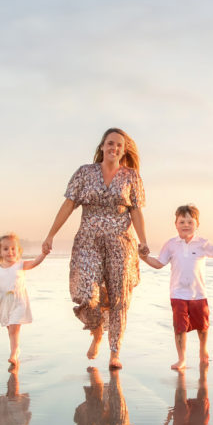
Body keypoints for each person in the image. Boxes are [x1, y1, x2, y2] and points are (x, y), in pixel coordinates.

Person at [43, 128, 149, 370]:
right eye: (110, 143)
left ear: (124, 150)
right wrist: (51, 234)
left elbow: (136, 212)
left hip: (121, 243)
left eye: (119, 145)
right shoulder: (84, 173)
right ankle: (97, 332)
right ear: (102, 146)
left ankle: (114, 351)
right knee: (88, 295)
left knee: (119, 298)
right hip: (88, 242)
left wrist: (143, 242)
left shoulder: (131, 177)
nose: (114, 148)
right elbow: (68, 205)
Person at [141, 204, 213, 370]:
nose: (186, 225)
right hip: (178, 293)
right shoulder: (171, 244)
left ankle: (203, 350)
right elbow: (159, 263)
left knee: (202, 326)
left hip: (198, 294)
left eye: (190, 221)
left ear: (197, 224)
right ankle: (181, 359)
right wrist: (144, 258)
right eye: (182, 222)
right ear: (176, 224)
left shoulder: (202, 243)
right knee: (179, 327)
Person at [0, 232, 46, 366]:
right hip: (4, 302)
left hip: (19, 301)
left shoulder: (20, 265)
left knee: (13, 327)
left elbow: (35, 262)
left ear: (18, 251)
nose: (10, 252)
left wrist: (43, 254)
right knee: (10, 328)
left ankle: (13, 353)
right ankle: (15, 350)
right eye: (6, 249)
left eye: (13, 249)